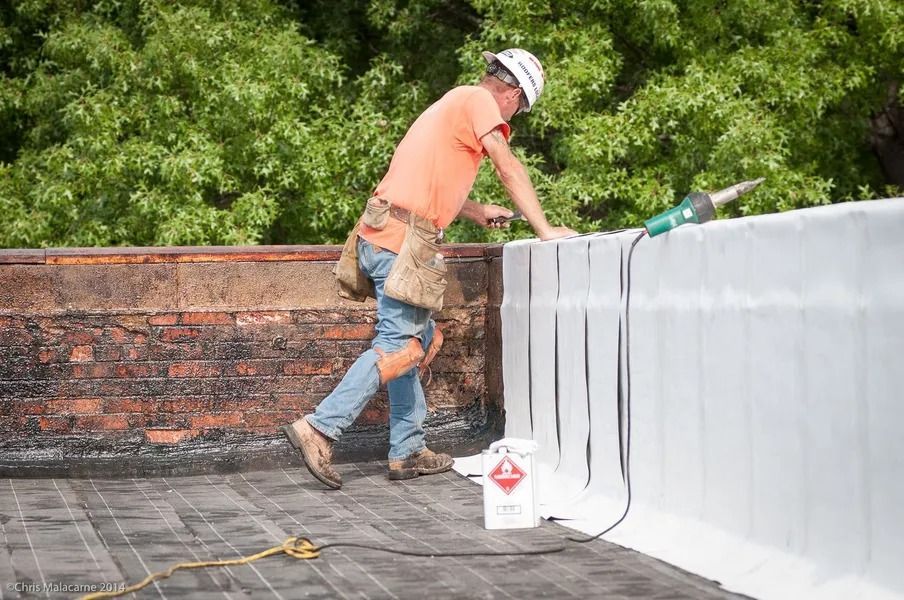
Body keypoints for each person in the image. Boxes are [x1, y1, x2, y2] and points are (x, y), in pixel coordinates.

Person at [281, 48, 577, 489]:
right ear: (513, 94)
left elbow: (425, 184)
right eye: (521, 107)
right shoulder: (480, 101)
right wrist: (545, 228)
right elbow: (506, 165)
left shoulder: (452, 102)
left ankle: (407, 449)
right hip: (403, 245)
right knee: (399, 347)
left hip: (381, 233)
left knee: (418, 339)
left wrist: (474, 210)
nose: (515, 115)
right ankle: (321, 427)